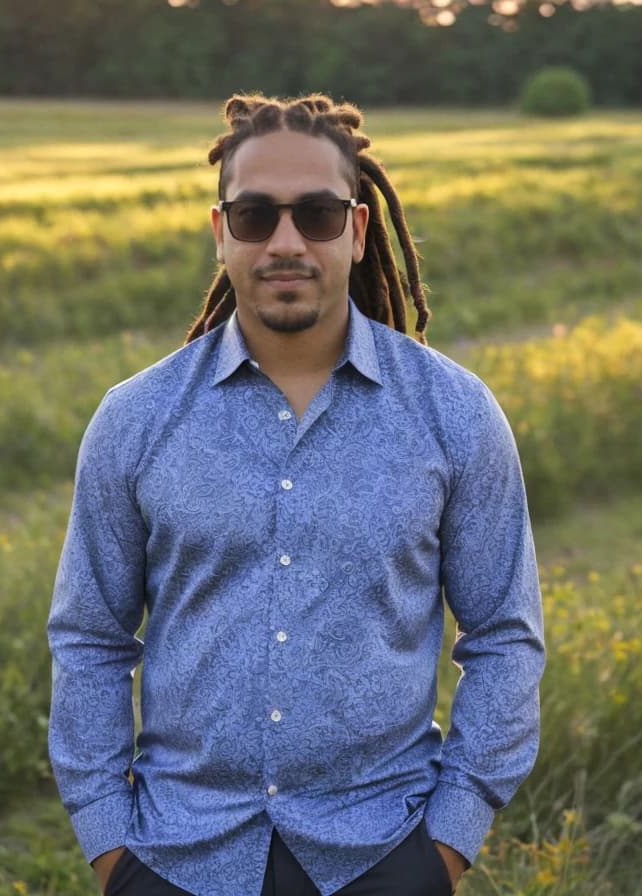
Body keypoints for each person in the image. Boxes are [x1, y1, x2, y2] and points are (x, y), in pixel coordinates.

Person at [47, 93, 545, 896]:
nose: (285, 242)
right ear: (221, 233)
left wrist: (447, 845)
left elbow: (503, 636)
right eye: (255, 216)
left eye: (316, 213)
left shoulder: (453, 412)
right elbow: (91, 640)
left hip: (385, 852)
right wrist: (112, 849)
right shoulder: (135, 420)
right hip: (177, 856)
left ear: (356, 229)